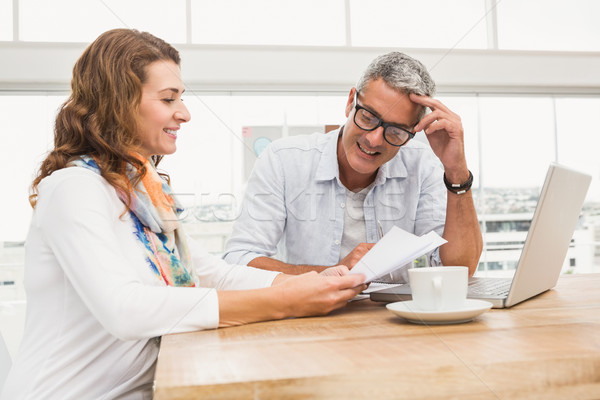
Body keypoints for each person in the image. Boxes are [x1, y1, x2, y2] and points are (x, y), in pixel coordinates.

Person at [0, 29, 366, 400]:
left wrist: (310, 283)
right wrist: (282, 302)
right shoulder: (73, 188)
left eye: (181, 98)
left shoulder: (143, 192)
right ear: (119, 102)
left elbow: (208, 274)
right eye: (168, 98)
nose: (185, 113)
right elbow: (125, 309)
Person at [223, 52, 483, 280]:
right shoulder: (284, 159)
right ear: (351, 101)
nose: (373, 139)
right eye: (368, 117)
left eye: (395, 131)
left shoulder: (423, 164)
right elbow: (239, 260)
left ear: (413, 132)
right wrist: (331, 273)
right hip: (309, 321)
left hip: (398, 324)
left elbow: (459, 269)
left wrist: (456, 170)